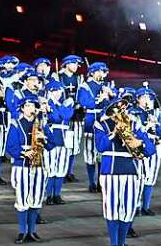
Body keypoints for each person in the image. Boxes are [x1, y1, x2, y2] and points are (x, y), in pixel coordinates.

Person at [95, 95, 155, 246]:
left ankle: (123, 243)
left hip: (132, 170)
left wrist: (140, 143)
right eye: (117, 109)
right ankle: (114, 244)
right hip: (111, 171)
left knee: (128, 208)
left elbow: (150, 149)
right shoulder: (102, 124)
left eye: (122, 108)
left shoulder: (135, 124)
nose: (121, 111)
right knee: (112, 208)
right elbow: (100, 147)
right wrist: (114, 133)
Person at [5, 97, 57, 243]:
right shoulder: (16, 124)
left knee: (36, 198)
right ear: (22, 108)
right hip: (21, 165)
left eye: (32, 106)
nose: (30, 108)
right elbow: (10, 146)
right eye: (27, 106)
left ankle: (32, 231)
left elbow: (52, 144)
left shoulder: (42, 123)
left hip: (39, 165)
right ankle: (22, 232)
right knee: (22, 198)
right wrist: (23, 154)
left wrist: (44, 137)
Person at [78, 62, 115, 193]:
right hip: (91, 120)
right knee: (90, 154)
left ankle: (100, 181)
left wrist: (111, 95)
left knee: (102, 152)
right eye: (99, 71)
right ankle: (91, 182)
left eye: (103, 71)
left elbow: (115, 104)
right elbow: (84, 102)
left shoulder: (107, 86)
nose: (102, 74)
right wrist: (100, 99)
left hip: (104, 122)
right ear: (92, 72)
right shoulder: (85, 86)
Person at [41, 80, 75, 206]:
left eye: (59, 91)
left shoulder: (62, 104)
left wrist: (57, 108)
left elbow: (67, 116)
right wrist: (56, 107)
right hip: (53, 138)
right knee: (50, 168)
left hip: (64, 139)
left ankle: (57, 194)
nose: (57, 94)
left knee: (61, 168)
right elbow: (55, 118)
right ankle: (49, 195)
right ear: (49, 92)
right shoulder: (47, 104)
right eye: (54, 91)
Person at [135, 85, 161, 216]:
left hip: (154, 146)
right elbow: (134, 132)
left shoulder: (155, 113)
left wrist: (157, 124)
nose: (147, 100)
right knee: (139, 178)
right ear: (138, 99)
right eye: (144, 98)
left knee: (151, 178)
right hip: (140, 148)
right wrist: (146, 125)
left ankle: (146, 206)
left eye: (149, 98)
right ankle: (136, 206)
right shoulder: (134, 113)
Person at [56, 55, 84, 182]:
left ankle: (69, 171)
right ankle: (60, 171)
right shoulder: (59, 77)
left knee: (74, 144)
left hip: (77, 114)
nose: (76, 67)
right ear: (67, 64)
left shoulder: (79, 78)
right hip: (63, 114)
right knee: (64, 144)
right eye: (73, 64)